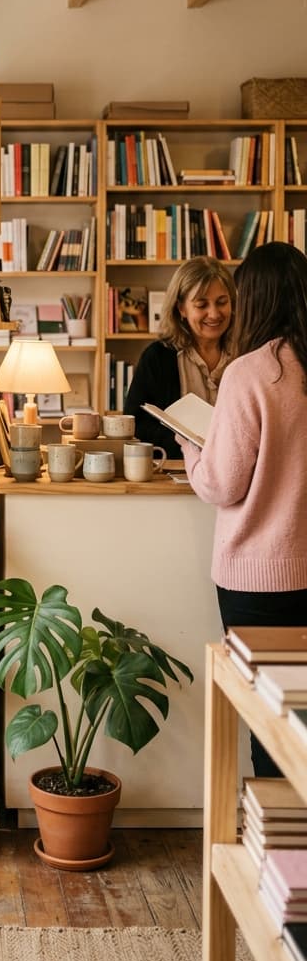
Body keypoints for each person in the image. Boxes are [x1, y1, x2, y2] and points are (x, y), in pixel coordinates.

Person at [178, 242, 307, 776]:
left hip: (258, 577)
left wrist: (191, 444)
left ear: (251, 299)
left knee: (269, 717)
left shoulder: (251, 372)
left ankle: (278, 852)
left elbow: (222, 484)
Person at [123, 256, 236, 458]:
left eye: (222, 302)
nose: (214, 314)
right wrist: (190, 445)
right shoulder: (157, 357)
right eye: (202, 305)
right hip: (177, 473)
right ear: (181, 308)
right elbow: (136, 424)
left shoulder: (245, 355)